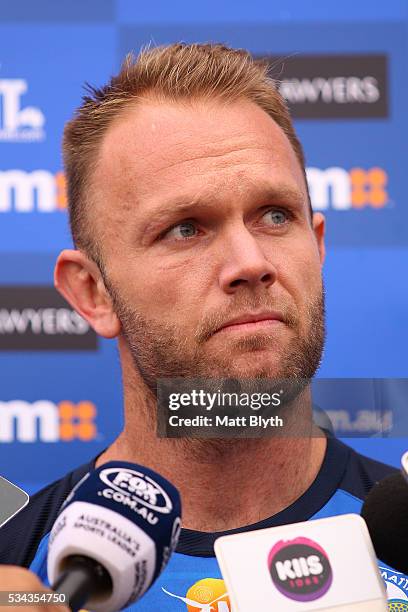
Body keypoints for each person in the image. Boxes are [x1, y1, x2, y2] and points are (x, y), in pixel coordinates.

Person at [0, 43, 404, 610]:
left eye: (274, 215)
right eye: (186, 229)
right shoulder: (22, 575)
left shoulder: (400, 535)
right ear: (93, 293)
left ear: (316, 247)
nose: (250, 262)